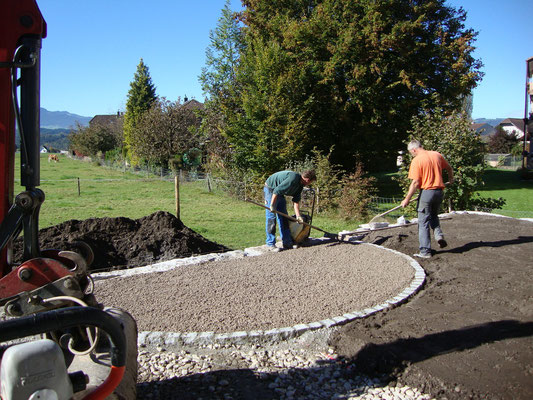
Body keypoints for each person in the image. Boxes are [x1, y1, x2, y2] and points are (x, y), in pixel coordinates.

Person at [401, 140, 454, 259]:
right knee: (434, 216)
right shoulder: (437, 155)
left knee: (423, 221)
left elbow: (415, 182)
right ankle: (439, 236)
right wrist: (451, 179)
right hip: (439, 192)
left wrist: (407, 199)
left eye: (411, 153)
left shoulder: (417, 160)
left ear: (414, 150)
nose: (412, 155)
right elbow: (449, 168)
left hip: (427, 193)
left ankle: (425, 251)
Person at [264, 170, 316, 251]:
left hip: (279, 192)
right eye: (310, 182)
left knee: (284, 217)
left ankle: (287, 242)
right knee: (271, 217)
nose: (309, 184)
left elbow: (296, 202)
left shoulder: (300, 186)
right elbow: (276, 190)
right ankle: (270, 244)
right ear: (307, 180)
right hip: (271, 189)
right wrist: (272, 205)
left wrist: (298, 216)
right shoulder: (293, 179)